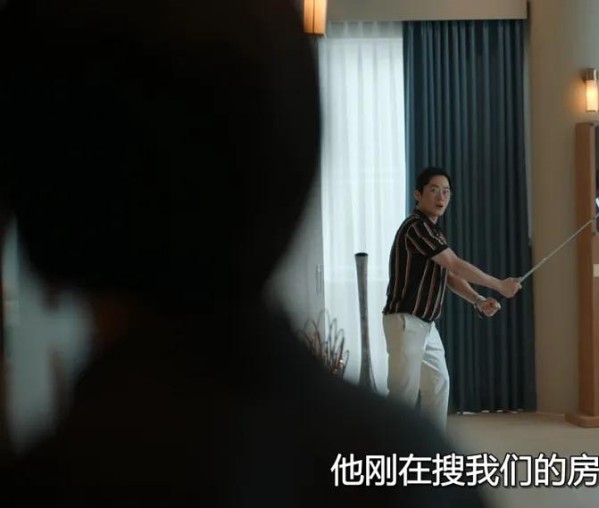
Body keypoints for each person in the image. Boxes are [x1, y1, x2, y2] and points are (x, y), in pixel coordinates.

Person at [0, 0, 487, 504]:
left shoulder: (46, 483)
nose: (443, 196)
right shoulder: (412, 471)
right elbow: (451, 267)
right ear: (295, 188)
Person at [383, 167, 521, 431]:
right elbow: (455, 264)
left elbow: (450, 276)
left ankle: (431, 449)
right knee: (402, 397)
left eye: (446, 192)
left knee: (438, 384)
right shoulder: (416, 227)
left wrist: (478, 299)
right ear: (418, 194)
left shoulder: (435, 232)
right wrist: (500, 285)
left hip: (426, 324)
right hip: (406, 322)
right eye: (434, 190)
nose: (441, 197)